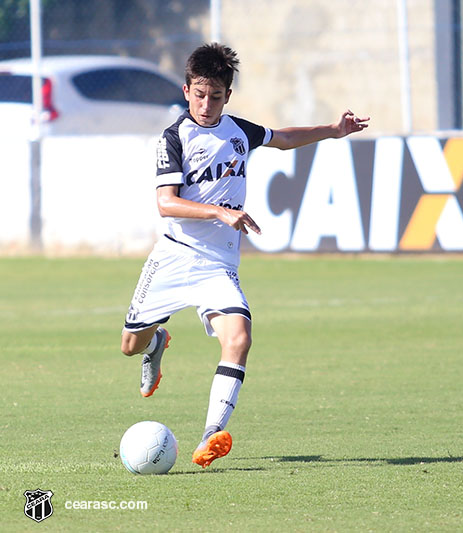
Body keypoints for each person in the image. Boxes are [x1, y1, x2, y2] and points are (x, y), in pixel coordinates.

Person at [120, 43, 369, 468]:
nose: (206, 103)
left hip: (218, 264)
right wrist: (220, 210)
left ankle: (210, 434)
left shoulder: (239, 132)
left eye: (215, 96)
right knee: (130, 345)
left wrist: (332, 129)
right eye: (199, 94)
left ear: (228, 96)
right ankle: (156, 340)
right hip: (175, 257)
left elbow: (283, 138)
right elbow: (167, 203)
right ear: (186, 90)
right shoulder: (174, 138)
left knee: (239, 339)